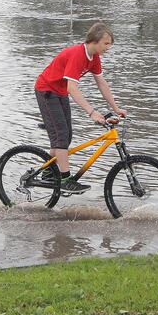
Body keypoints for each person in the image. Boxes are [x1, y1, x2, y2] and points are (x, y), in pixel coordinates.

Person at [35, 22, 127, 194]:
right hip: (46, 90)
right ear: (94, 40)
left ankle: (48, 171)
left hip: (59, 92)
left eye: (110, 44)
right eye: (106, 43)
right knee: (61, 136)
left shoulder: (94, 58)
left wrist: (116, 108)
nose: (109, 47)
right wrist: (92, 113)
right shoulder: (78, 54)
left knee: (66, 136)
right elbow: (72, 88)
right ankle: (65, 179)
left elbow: (101, 83)